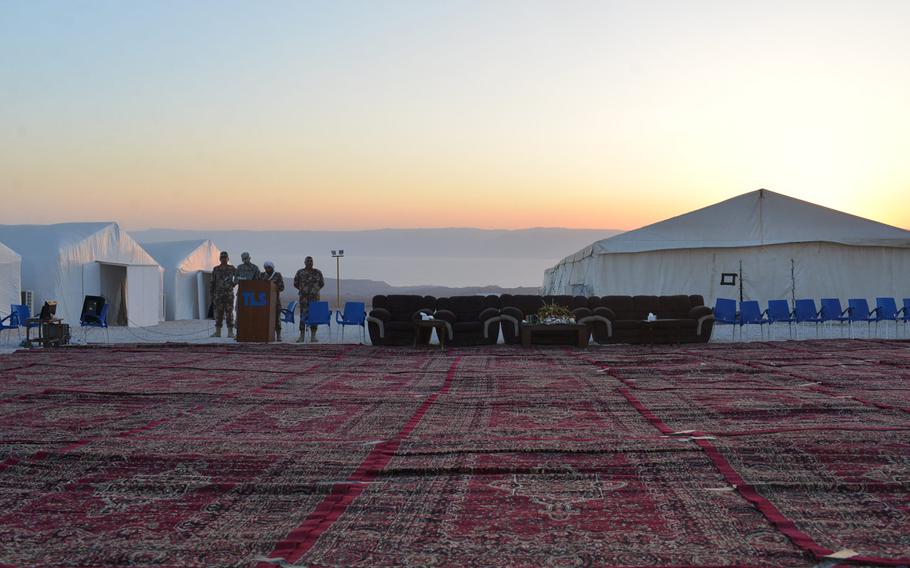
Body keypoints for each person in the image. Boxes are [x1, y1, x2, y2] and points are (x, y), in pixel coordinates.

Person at [293, 256, 325, 343]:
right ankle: (301, 336)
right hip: (304, 299)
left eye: (311, 261)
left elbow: (321, 283)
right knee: (303, 316)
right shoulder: (300, 272)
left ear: (313, 262)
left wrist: (314, 290)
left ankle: (313, 337)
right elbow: (295, 283)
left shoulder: (317, 272)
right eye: (307, 261)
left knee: (314, 316)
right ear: (304, 262)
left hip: (314, 298)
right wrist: (303, 290)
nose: (309, 263)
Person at [210, 251, 237, 338]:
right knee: (219, 313)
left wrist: (234, 283)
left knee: (229, 313)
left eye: (225, 257)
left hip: (228, 294)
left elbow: (239, 275)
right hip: (218, 295)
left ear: (228, 258)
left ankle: (230, 332)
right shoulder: (216, 269)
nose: (223, 259)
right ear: (219, 259)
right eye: (222, 258)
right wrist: (212, 294)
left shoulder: (232, 268)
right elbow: (212, 282)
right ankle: (218, 332)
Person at [259, 260, 285, 341]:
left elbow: (282, 287)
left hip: (275, 301)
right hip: (263, 301)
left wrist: (274, 287)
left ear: (272, 267)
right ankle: (265, 334)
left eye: (269, 267)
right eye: (266, 267)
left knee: (277, 318)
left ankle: (278, 335)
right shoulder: (262, 275)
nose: (267, 269)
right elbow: (258, 285)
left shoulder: (277, 275)